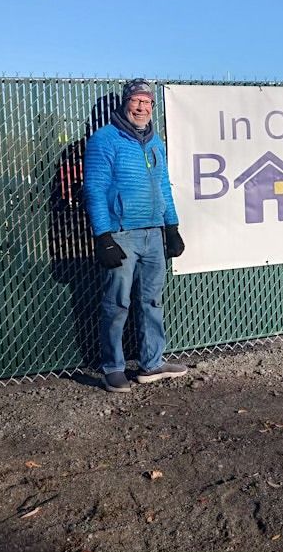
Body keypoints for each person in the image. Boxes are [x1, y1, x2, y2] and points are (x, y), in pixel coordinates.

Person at [83, 78, 187, 392]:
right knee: (117, 304)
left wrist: (172, 226)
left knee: (152, 301)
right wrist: (103, 235)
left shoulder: (156, 143)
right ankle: (113, 367)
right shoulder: (104, 140)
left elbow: (163, 187)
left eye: (147, 102)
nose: (142, 108)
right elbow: (95, 190)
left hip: (154, 234)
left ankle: (151, 363)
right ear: (126, 103)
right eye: (136, 101)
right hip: (122, 235)